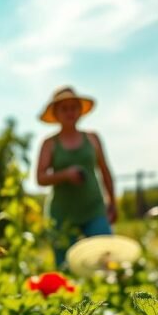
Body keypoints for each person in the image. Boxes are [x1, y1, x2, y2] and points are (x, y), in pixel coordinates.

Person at [35, 86, 117, 268]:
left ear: (80, 111)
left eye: (73, 107)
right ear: (56, 113)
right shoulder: (49, 144)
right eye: (64, 108)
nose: (70, 112)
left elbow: (105, 171)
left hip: (94, 209)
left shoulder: (93, 138)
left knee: (105, 260)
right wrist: (65, 174)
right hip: (62, 216)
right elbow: (40, 178)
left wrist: (112, 202)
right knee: (67, 267)